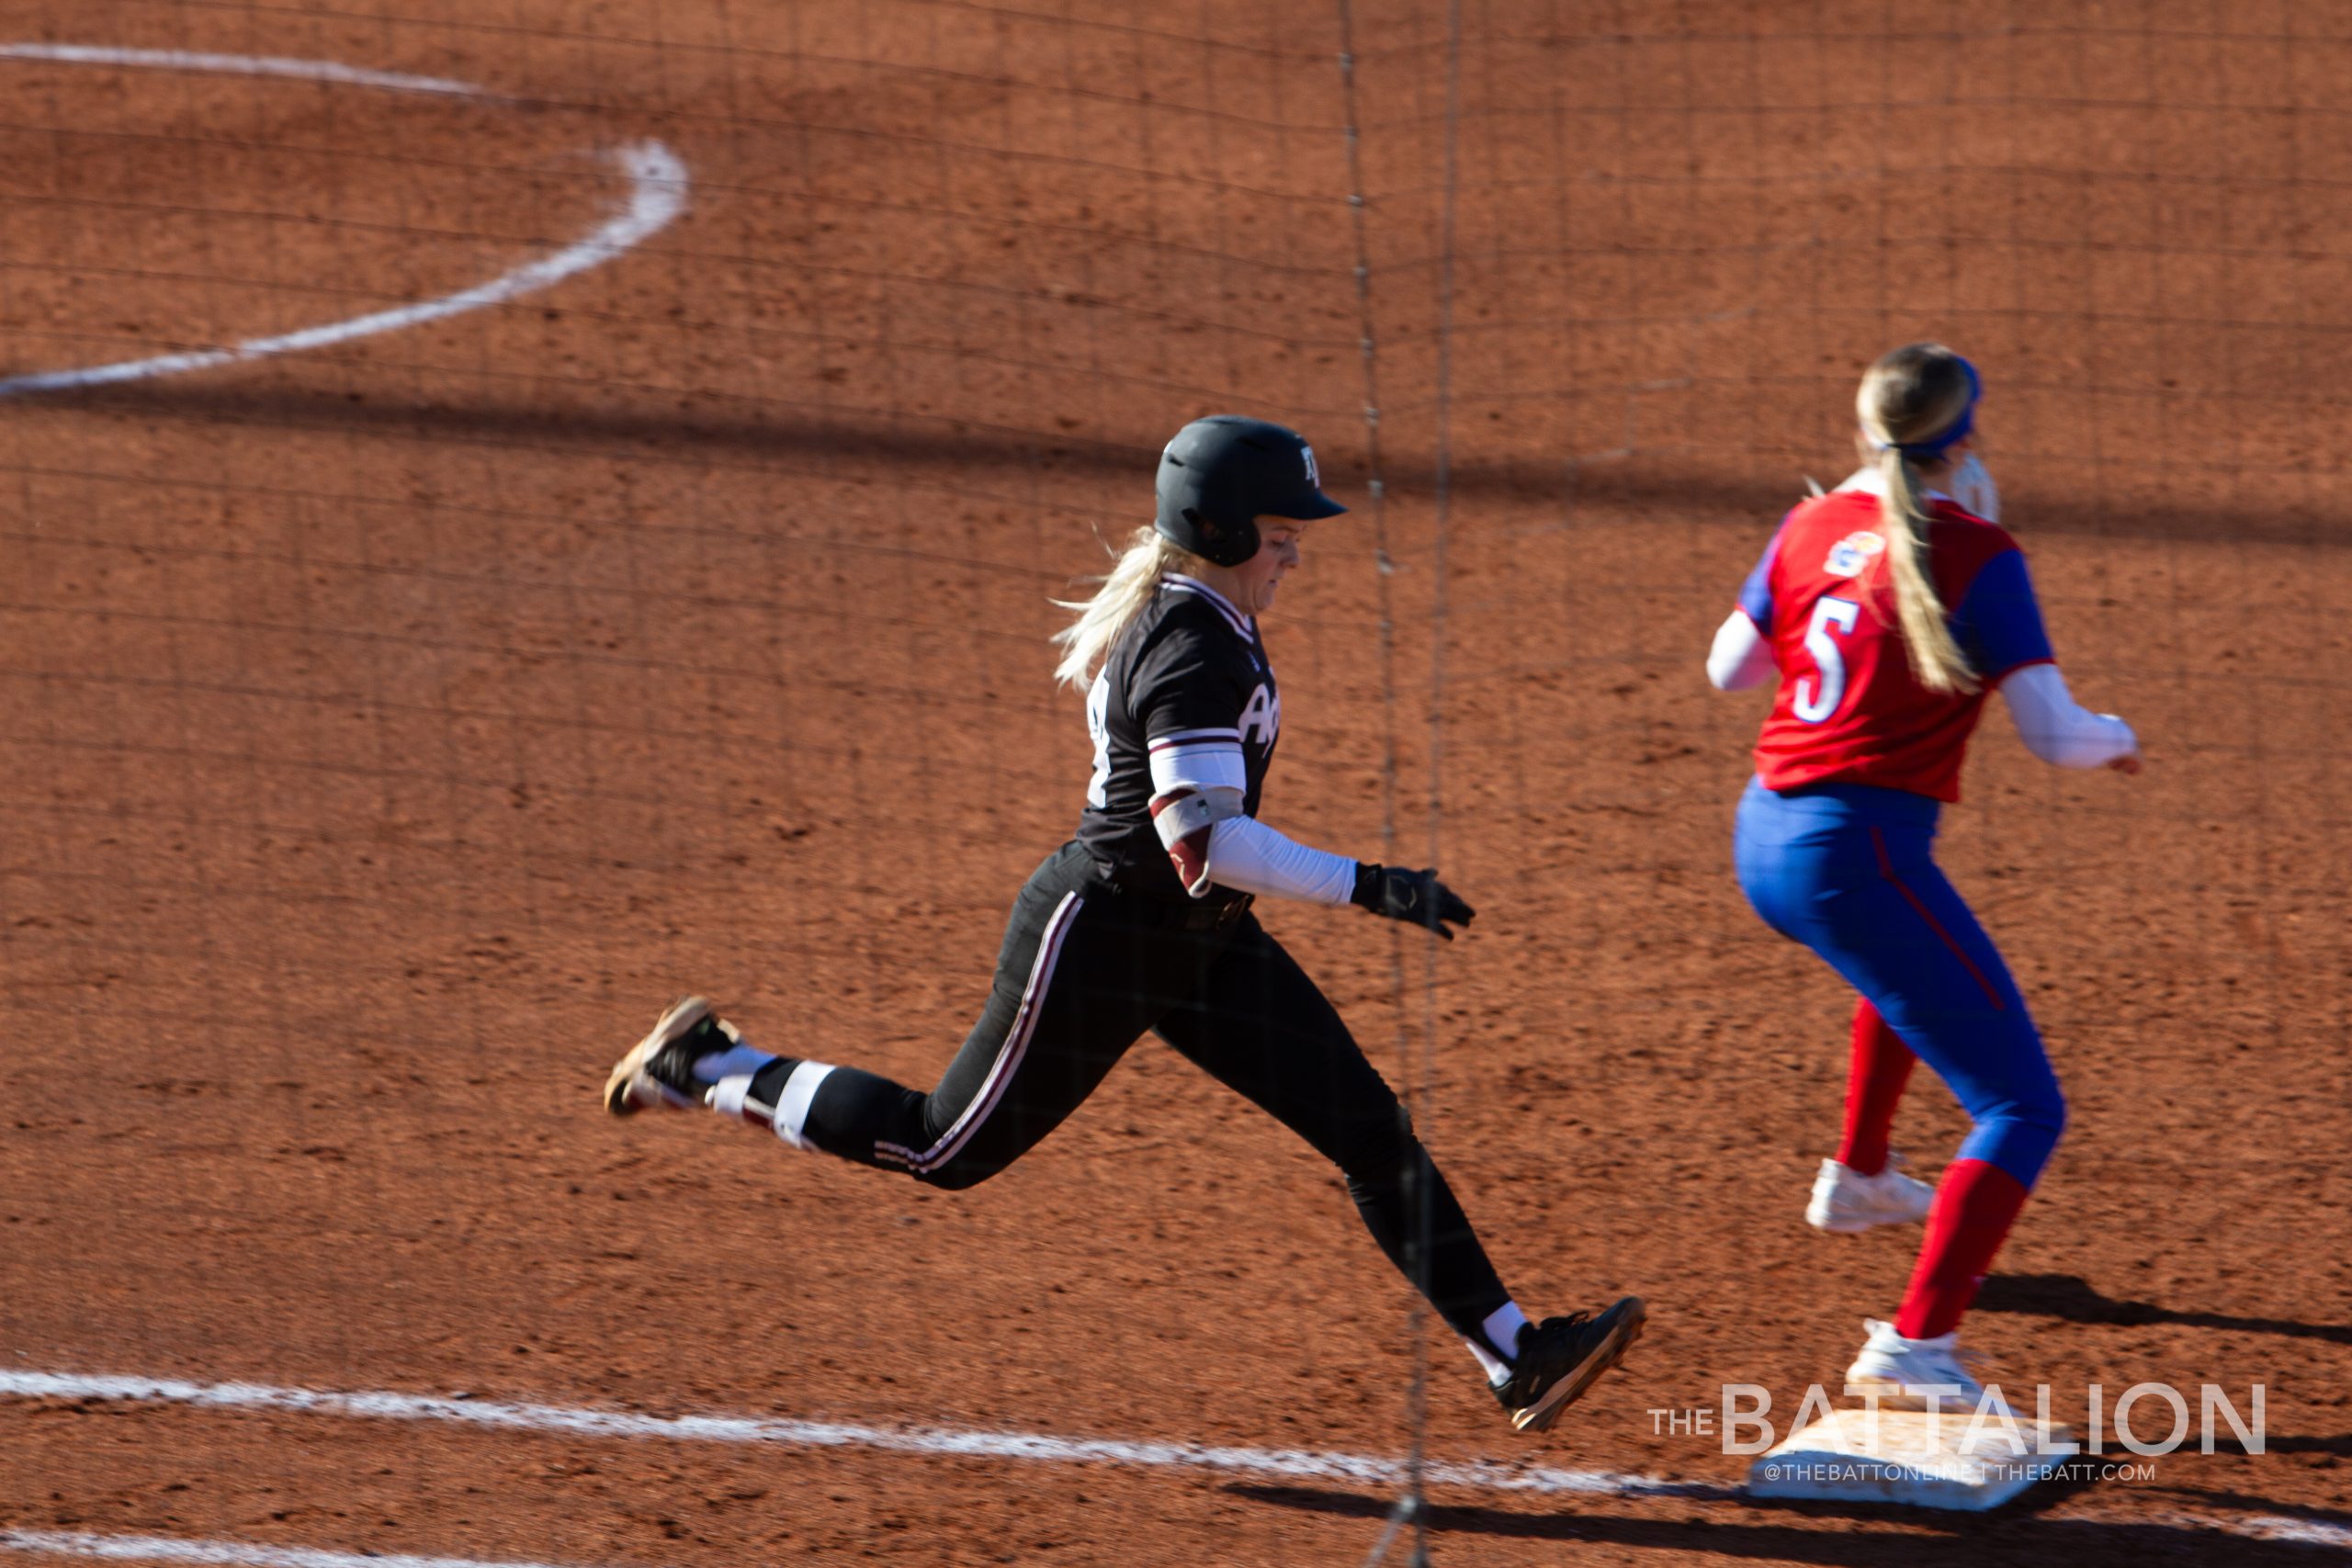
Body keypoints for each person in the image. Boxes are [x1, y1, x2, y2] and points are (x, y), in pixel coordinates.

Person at [606, 415, 1644, 1432]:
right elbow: (1209, 843)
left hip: (1197, 938)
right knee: (942, 1147)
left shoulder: (1204, 622)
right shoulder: (1191, 646)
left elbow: (1202, 863)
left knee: (1369, 1131)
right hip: (1099, 936)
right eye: (1283, 535)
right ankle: (703, 1065)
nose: (1295, 556)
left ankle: (1514, 1353)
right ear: (1229, 530)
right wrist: (1372, 886)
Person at [1707, 344, 2141, 1410]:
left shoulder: (1807, 525)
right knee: (2021, 1107)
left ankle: (1859, 1180)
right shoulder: (1980, 551)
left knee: (1899, 971)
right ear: (1968, 439)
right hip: (1851, 858)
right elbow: (2054, 736)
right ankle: (1916, 1347)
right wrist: (2116, 736)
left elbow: (1730, 668)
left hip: (1763, 837)